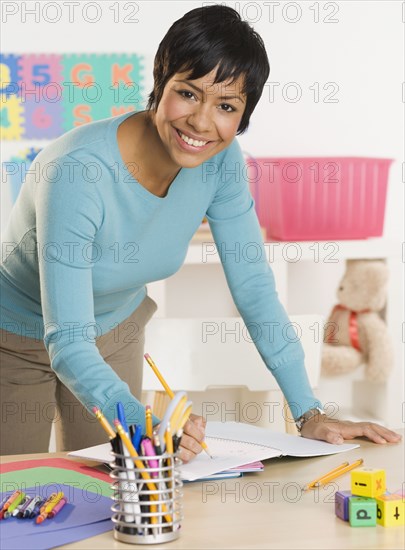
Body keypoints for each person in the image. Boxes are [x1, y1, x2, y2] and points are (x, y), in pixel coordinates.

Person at [0, 6, 401, 460]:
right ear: (160, 78)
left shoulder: (223, 163)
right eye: (188, 94)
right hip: (16, 336)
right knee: (17, 493)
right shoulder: (77, 173)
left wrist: (309, 412)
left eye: (226, 106)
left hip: (115, 332)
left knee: (118, 488)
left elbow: (254, 288)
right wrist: (144, 420)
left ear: (243, 113)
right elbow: (69, 341)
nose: (201, 122)